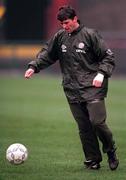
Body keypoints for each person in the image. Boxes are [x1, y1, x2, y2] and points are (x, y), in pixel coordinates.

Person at [24, 5, 119, 170]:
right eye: (61, 24)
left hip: (93, 86)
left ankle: (110, 150)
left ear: (75, 18)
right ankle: (93, 159)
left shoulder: (90, 35)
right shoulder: (60, 37)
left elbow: (107, 57)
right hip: (71, 89)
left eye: (66, 22)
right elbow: (47, 54)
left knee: (97, 123)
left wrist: (101, 74)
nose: (64, 26)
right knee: (84, 128)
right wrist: (34, 66)